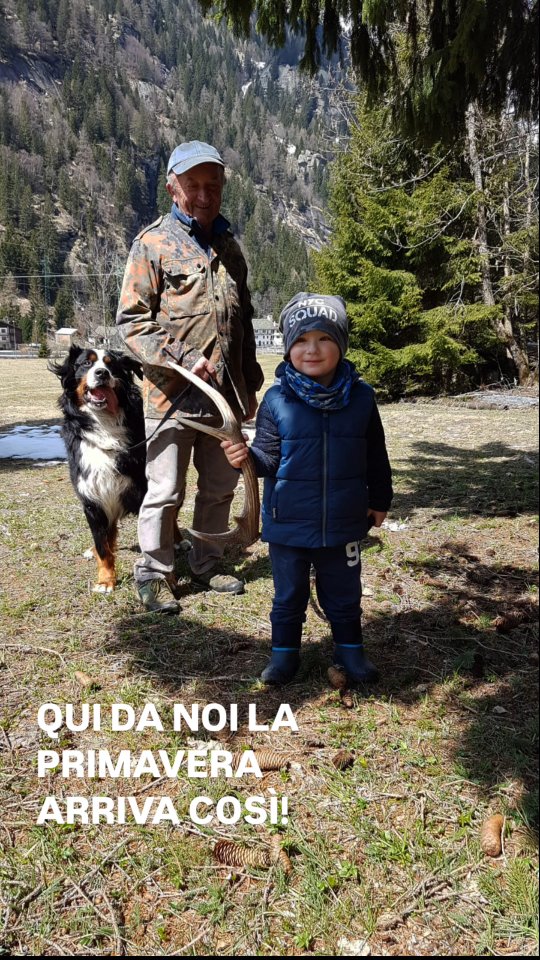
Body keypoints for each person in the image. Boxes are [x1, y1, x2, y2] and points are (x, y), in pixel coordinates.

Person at [116, 140, 264, 613]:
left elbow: (243, 322)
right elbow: (131, 322)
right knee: (164, 491)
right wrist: (181, 356)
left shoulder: (230, 248)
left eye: (212, 185)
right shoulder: (152, 244)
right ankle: (156, 575)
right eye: (194, 185)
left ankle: (207, 563)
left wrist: (250, 384)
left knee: (219, 487)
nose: (204, 194)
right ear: (172, 187)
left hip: (226, 399)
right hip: (171, 397)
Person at [221, 293, 393, 684]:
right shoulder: (277, 401)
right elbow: (267, 459)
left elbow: (375, 455)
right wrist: (244, 457)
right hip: (288, 524)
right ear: (287, 347)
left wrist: (380, 500)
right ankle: (284, 656)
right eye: (300, 340)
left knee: (345, 595)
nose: (311, 349)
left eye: (324, 339)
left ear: (341, 343)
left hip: (344, 521)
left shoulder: (362, 399)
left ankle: (351, 652)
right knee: (288, 596)